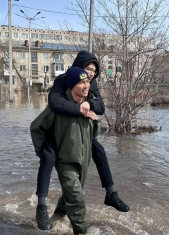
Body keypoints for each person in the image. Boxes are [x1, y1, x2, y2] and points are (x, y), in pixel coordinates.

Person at [33, 50, 129, 230]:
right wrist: (79, 109)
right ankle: (41, 206)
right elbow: (55, 103)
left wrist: (88, 104)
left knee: (97, 152)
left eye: (94, 71)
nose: (91, 75)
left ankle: (109, 193)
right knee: (49, 158)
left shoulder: (91, 84)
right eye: (87, 69)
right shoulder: (63, 80)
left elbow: (100, 107)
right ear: (77, 69)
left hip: (76, 134)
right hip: (55, 133)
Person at [31, 67, 98, 234]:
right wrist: (44, 152)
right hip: (65, 161)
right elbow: (36, 127)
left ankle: (58, 215)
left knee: (73, 193)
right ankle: (80, 230)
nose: (86, 85)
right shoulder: (59, 108)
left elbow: (94, 133)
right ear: (71, 85)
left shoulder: (88, 105)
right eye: (81, 82)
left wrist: (95, 121)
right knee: (77, 199)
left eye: (87, 82)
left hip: (83, 161)